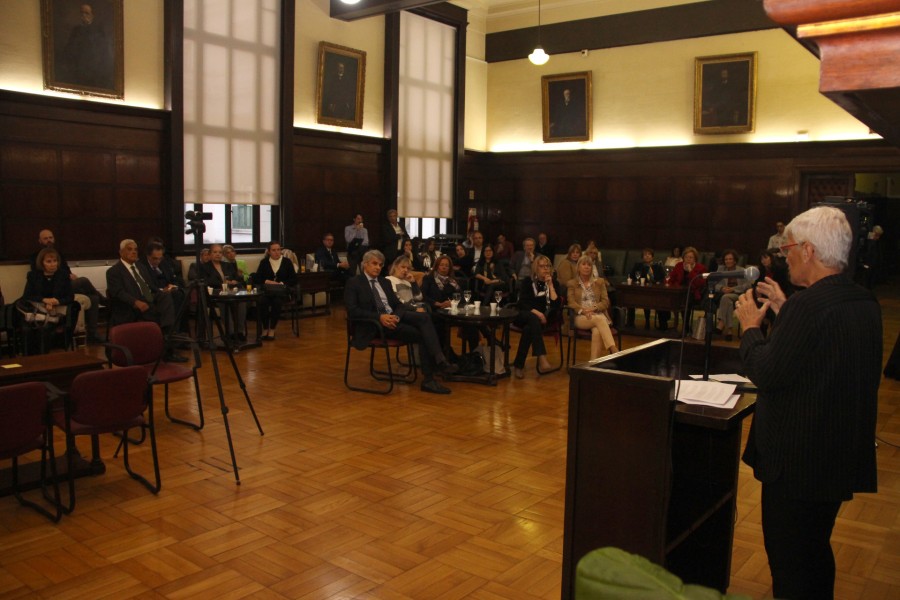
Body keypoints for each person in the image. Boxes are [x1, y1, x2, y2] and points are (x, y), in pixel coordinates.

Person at [733, 206, 881, 599]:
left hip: (796, 462)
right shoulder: (862, 301)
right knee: (815, 550)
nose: (786, 257)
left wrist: (750, 327)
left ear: (810, 250)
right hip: (835, 457)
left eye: (789, 249)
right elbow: (820, 354)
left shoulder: (807, 306)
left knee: (791, 562)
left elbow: (767, 372)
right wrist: (786, 309)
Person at [344, 250, 458, 395]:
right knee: (423, 334)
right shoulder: (354, 283)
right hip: (374, 325)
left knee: (425, 318)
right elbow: (352, 311)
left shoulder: (383, 282)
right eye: (374, 264)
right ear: (365, 264)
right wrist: (380, 317)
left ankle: (439, 362)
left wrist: (396, 317)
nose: (378, 267)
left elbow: (399, 305)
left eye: (380, 265)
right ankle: (431, 376)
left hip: (393, 319)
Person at [106, 239, 184, 362]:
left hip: (149, 300)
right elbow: (118, 292)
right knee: (163, 313)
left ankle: (167, 334)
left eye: (135, 249)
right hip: (131, 305)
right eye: (129, 249)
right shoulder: (114, 271)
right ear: (121, 252)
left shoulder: (141, 267)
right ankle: (168, 341)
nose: (133, 252)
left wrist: (161, 291)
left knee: (170, 296)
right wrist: (135, 302)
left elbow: (150, 286)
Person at [30, 229, 102, 343]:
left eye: (51, 237)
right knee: (83, 281)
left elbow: (66, 271)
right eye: (45, 238)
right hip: (53, 286)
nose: (49, 240)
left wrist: (70, 275)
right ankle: (106, 302)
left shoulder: (59, 254)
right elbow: (38, 276)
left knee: (93, 298)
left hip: (65, 283)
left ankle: (92, 334)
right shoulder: (36, 256)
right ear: (39, 241)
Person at [511, 254, 560, 378]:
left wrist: (551, 286)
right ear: (535, 268)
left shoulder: (554, 283)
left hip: (542, 320)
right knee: (533, 319)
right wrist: (538, 313)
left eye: (547, 266)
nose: (545, 269)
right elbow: (522, 303)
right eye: (542, 266)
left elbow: (556, 305)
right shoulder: (528, 281)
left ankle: (519, 365)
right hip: (524, 315)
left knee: (529, 328)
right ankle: (542, 358)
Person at [22, 247, 76, 353]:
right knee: (26, 330)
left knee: (44, 329)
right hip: (37, 312)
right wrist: (44, 300)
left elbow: (70, 297)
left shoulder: (63, 275)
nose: (53, 264)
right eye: (49, 262)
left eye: (55, 261)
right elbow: (27, 296)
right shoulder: (33, 276)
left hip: (56, 314)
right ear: (42, 263)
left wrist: (56, 301)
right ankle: (29, 361)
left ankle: (44, 360)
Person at [567, 255, 617, 359]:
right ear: (578, 267)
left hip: (597, 315)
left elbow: (605, 302)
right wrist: (584, 311)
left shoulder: (599, 282)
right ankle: (613, 349)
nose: (586, 267)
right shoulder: (572, 283)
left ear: (592, 268)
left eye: (589, 265)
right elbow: (571, 302)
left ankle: (593, 364)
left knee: (597, 331)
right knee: (599, 320)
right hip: (580, 317)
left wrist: (593, 308)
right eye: (584, 264)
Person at [58, 3, 114, 90]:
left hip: (94, 71)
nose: (84, 15)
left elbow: (103, 51)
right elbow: (69, 50)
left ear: (92, 15)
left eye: (86, 13)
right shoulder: (76, 30)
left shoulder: (98, 31)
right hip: (79, 69)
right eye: (82, 13)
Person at [252, 241, 297, 341]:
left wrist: (281, 283)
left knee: (277, 302)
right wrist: (266, 281)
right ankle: (265, 328)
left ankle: (272, 329)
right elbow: (257, 278)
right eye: (274, 250)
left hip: (282, 292)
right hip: (267, 292)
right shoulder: (264, 262)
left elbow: (293, 279)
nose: (277, 252)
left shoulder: (287, 262)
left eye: (278, 250)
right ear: (269, 252)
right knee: (263, 301)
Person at [201, 244, 246, 342]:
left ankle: (239, 331)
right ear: (210, 254)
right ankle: (230, 333)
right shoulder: (205, 267)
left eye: (220, 252)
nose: (218, 254)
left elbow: (237, 278)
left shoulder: (227, 265)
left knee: (241, 303)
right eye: (215, 252)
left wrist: (235, 281)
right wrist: (224, 283)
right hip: (216, 295)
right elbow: (208, 282)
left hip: (231, 293)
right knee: (224, 304)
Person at [141, 240, 187, 333]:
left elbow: (174, 278)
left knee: (182, 295)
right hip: (155, 294)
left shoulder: (164, 263)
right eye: (154, 259)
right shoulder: (141, 266)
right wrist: (162, 290)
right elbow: (146, 286)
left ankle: (180, 333)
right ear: (148, 256)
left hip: (170, 292)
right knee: (173, 298)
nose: (158, 261)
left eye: (160, 258)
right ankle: (171, 333)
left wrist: (173, 286)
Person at [667, 246, 707, 333]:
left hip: (694, 293)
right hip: (678, 292)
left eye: (691, 257)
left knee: (686, 300)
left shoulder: (701, 268)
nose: (688, 259)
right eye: (686, 257)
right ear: (683, 257)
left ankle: (685, 326)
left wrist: (690, 271)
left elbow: (699, 284)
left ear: (695, 259)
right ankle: (666, 324)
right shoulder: (679, 266)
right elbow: (671, 279)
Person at [626, 248, 668, 329]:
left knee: (662, 301)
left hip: (655, 292)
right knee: (630, 300)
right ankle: (630, 324)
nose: (647, 256)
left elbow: (663, 278)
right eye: (645, 254)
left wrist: (658, 282)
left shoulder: (658, 266)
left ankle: (662, 325)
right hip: (641, 291)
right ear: (642, 257)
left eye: (649, 254)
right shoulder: (638, 266)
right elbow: (632, 277)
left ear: (652, 256)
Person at [714, 249, 751, 341]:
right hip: (724, 295)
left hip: (738, 295)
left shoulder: (742, 270)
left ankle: (721, 324)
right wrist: (722, 288)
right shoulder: (721, 269)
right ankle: (729, 330)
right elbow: (714, 284)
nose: (728, 261)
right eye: (726, 259)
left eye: (730, 259)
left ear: (735, 260)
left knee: (726, 298)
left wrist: (733, 289)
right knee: (727, 301)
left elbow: (747, 285)